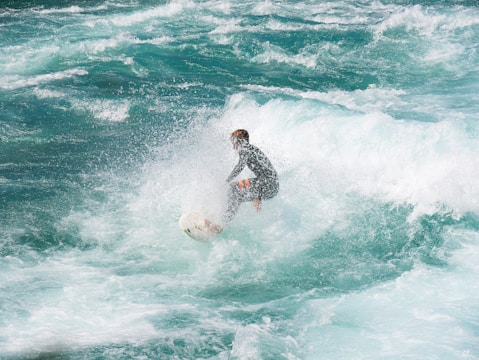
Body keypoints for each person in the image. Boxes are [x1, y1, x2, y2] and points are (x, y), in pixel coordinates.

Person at [205, 129, 279, 233]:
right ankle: (219, 221)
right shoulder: (251, 149)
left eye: (233, 142)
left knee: (233, 190)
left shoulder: (245, 150)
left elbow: (239, 167)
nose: (233, 146)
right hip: (271, 186)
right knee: (235, 193)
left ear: (239, 141)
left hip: (267, 185)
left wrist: (258, 195)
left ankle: (220, 224)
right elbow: (269, 174)